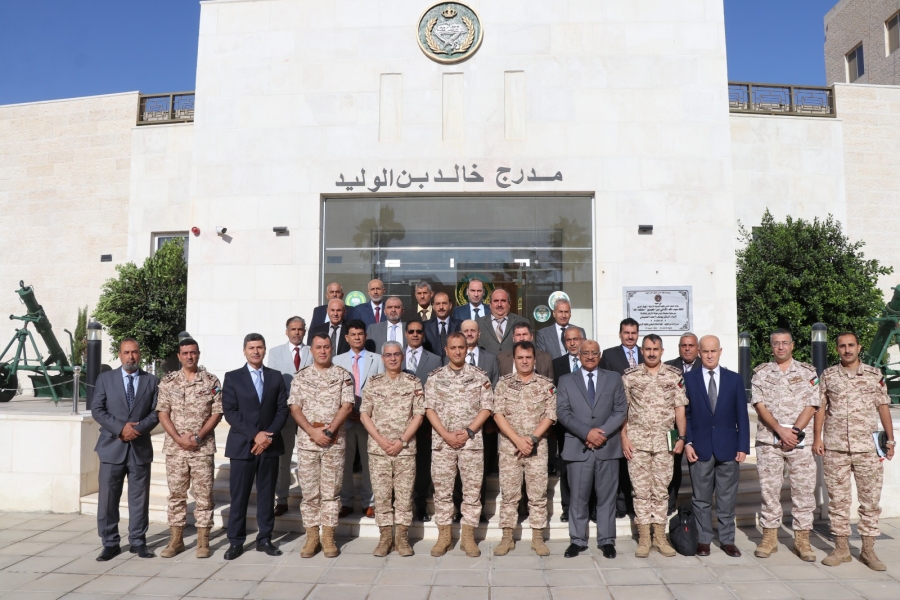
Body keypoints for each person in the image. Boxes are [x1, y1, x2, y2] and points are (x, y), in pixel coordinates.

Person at [814, 331, 895, 571]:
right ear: (837, 349)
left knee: (870, 501)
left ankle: (868, 550)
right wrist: (817, 438)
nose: (847, 350)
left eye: (851, 345)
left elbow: (883, 407)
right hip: (835, 448)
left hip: (867, 449)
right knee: (838, 502)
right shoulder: (828, 376)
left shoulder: (873, 375)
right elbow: (820, 408)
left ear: (859, 347)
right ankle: (841, 549)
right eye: (842, 346)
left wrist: (890, 440)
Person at [750, 329, 819, 561]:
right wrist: (780, 430)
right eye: (776, 343)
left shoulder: (808, 372)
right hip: (769, 441)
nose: (780, 347)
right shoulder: (761, 373)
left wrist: (794, 432)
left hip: (800, 442)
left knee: (803, 491)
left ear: (792, 345)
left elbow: (812, 404)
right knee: (769, 491)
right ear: (771, 347)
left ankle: (802, 540)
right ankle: (769, 538)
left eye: (785, 343)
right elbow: (759, 404)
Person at [425, 332, 494, 558]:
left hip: (470, 443)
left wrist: (468, 431)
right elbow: (429, 409)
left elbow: (487, 407)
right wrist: (446, 434)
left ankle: (468, 537)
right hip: (443, 443)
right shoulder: (435, 378)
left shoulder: (479, 376)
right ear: (446, 350)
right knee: (442, 491)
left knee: (472, 491)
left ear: (467, 349)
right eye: (453, 348)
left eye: (461, 347)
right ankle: (444, 535)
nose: (457, 351)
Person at [556, 340, 627, 559]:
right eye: (585, 352)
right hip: (578, 448)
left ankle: (607, 541)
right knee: (578, 498)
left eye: (593, 353)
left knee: (607, 498)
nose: (589, 356)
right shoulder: (566, 380)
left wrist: (600, 433)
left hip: (607, 446)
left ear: (599, 355)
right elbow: (563, 412)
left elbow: (620, 410)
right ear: (578, 355)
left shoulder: (613, 378)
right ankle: (577, 540)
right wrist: (587, 433)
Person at [221, 333, 289, 560]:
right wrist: (255, 435)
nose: (256, 351)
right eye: (251, 348)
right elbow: (230, 411)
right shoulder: (232, 377)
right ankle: (235, 541)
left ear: (265, 349)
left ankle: (265, 539)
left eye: (259, 347)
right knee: (239, 496)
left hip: (269, 445)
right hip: (242, 446)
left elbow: (282, 410)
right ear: (244, 351)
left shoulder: (275, 376)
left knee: (267, 495)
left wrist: (267, 437)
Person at [91, 338, 160, 561]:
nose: (131, 357)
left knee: (139, 498)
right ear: (120, 355)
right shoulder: (105, 379)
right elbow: (97, 409)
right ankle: (110, 543)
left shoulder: (152, 381)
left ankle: (138, 541)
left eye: (135, 352)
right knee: (108, 499)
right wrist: (121, 428)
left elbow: (156, 412)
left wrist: (136, 429)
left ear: (140, 354)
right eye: (127, 352)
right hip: (112, 446)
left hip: (139, 448)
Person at [620, 334, 687, 558]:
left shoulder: (674, 376)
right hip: (637, 443)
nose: (651, 353)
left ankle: (659, 537)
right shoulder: (630, 377)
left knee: (660, 491)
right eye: (647, 349)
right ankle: (644, 538)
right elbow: (623, 410)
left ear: (662, 351)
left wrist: (681, 437)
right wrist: (624, 437)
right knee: (640, 491)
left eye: (655, 349)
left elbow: (679, 408)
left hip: (664, 443)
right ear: (642, 351)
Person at [289, 333, 355, 558]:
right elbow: (295, 407)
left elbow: (347, 406)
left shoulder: (342, 375)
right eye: (318, 347)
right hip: (308, 444)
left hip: (333, 444)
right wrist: (312, 431)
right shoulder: (301, 377)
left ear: (332, 349)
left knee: (330, 493)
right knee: (309, 493)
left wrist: (328, 431)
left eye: (327, 347)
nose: (323, 351)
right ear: (311, 350)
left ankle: (328, 537)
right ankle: (312, 537)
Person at [683, 335, 750, 558]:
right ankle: (703, 540)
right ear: (699, 353)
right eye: (705, 351)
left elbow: (742, 415)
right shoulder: (688, 379)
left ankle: (727, 540)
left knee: (726, 498)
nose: (710, 355)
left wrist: (743, 446)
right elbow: (685, 415)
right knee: (701, 499)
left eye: (713, 351)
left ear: (720, 352)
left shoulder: (734, 379)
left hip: (728, 447)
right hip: (699, 448)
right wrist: (688, 442)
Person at [157, 339, 223, 559]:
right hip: (176, 450)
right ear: (179, 356)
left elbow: (217, 412)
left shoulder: (211, 381)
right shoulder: (168, 381)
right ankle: (176, 540)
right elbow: (162, 412)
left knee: (204, 496)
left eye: (193, 353)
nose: (189, 357)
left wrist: (198, 436)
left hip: (201, 449)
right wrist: (178, 438)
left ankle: (203, 541)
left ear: (199, 354)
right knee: (176, 496)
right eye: (185, 353)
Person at [359, 341, 426, 557]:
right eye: (388, 355)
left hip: (405, 450)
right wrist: (380, 440)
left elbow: (419, 415)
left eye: (397, 354)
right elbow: (364, 414)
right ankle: (385, 538)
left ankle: (402, 539)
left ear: (403, 357)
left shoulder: (413, 382)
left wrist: (402, 441)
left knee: (404, 496)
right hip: (379, 450)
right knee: (382, 496)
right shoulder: (373, 382)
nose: (393, 358)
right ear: (383, 358)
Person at [492, 341, 556, 557]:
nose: (525, 361)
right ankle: (507, 537)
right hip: (510, 448)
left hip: (536, 448)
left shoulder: (546, 385)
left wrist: (531, 439)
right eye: (520, 357)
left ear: (534, 359)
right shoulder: (504, 384)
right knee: (509, 494)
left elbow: (550, 415)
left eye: (528, 357)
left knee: (537, 494)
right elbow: (498, 414)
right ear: (514, 359)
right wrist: (517, 440)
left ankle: (537, 538)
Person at [333, 320, 384, 518]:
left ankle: (369, 502)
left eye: (360, 334)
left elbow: (380, 390)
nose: (357, 337)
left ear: (365, 336)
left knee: (369, 462)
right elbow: (334, 390)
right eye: (353, 334)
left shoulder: (377, 360)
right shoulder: (337, 360)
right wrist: (346, 412)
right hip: (344, 420)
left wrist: (364, 412)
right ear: (346, 338)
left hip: (368, 420)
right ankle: (345, 502)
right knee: (344, 463)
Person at [267, 316, 313, 517]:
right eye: (293, 329)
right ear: (286, 331)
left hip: (308, 414)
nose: (296, 332)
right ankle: (282, 499)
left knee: (308, 459)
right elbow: (273, 383)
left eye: (300, 329)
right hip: (285, 413)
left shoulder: (313, 351)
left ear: (305, 331)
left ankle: (311, 499)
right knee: (283, 459)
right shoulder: (275, 352)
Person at [599, 318, 643, 518]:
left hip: (640, 418)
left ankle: (636, 503)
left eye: (633, 333)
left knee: (637, 462)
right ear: (620, 334)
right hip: (617, 417)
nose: (630, 336)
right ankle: (621, 503)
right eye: (626, 333)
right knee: (620, 462)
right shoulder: (609, 355)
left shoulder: (645, 353)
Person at [402, 319, 442, 522]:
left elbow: (439, 392)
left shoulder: (435, 359)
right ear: (406, 334)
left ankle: (420, 505)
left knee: (423, 464)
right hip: (400, 421)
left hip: (426, 421)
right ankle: (401, 504)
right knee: (402, 463)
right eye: (411, 331)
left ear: (423, 334)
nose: (415, 334)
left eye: (419, 331)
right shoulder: (396, 356)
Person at [551, 326, 587, 522]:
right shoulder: (556, 364)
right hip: (565, 426)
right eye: (568, 340)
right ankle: (567, 507)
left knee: (590, 467)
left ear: (582, 340)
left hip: (589, 424)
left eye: (576, 339)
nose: (572, 343)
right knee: (566, 467)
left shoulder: (591, 361)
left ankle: (590, 506)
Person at [663, 332, 701, 514]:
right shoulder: (668, 367)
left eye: (691, 345)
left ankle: (700, 505)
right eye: (683, 345)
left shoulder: (706, 366)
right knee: (672, 465)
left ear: (698, 348)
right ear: (679, 348)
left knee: (699, 466)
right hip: (673, 424)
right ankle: (670, 504)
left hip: (697, 424)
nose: (687, 349)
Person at [476, 288, 528, 354]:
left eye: (503, 301)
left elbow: (530, 349)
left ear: (509, 303)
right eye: (496, 301)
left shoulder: (522, 322)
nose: (499, 305)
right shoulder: (478, 323)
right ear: (490, 304)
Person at [456, 319, 499, 386]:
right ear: (460, 334)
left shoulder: (491, 358)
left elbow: (495, 386)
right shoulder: (452, 358)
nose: (469, 334)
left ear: (479, 334)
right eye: (466, 331)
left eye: (473, 330)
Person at [424, 292, 461, 358]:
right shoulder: (425, 326)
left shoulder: (460, 325)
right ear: (433, 306)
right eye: (438, 304)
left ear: (450, 305)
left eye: (444, 303)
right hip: (432, 363)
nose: (441, 307)